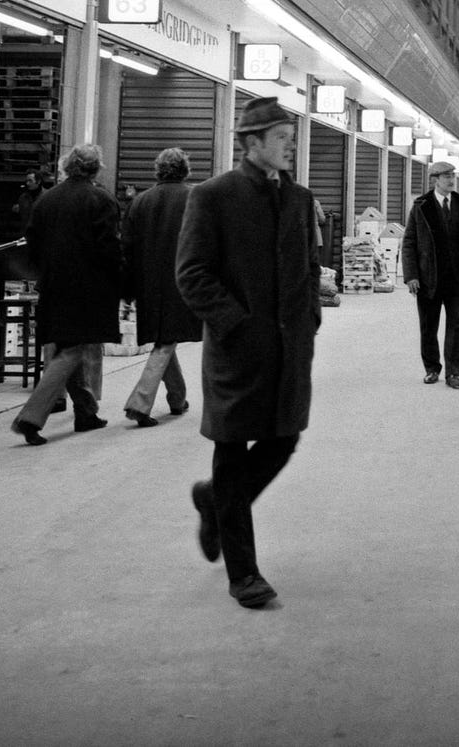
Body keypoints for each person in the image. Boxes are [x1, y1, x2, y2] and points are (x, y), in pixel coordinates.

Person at [175, 98, 321, 610]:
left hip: (289, 349)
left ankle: (213, 502)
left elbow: (309, 267)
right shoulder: (213, 196)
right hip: (238, 352)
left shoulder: (300, 200)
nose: (290, 146)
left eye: (290, 137)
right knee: (233, 454)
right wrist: (235, 323)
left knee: (284, 439)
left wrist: (309, 323)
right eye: (281, 138)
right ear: (252, 143)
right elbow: (191, 273)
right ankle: (244, 574)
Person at [10, 143, 122, 444]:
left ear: (67, 165)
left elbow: (30, 242)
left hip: (54, 286)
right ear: (97, 168)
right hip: (88, 288)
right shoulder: (101, 200)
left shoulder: (47, 200)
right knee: (72, 350)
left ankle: (86, 413)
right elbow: (109, 248)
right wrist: (122, 283)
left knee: (66, 347)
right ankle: (30, 417)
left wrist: (43, 273)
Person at [120, 147, 203, 426]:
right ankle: (140, 403)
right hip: (183, 281)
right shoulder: (195, 198)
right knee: (167, 339)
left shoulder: (140, 202)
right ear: (185, 170)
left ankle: (177, 399)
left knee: (165, 337)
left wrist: (128, 288)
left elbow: (127, 249)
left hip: (149, 284)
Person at [402, 158, 459, 388]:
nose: (452, 180)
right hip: (428, 278)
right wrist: (411, 275)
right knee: (428, 325)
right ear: (435, 180)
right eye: (447, 176)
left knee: (455, 325)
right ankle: (431, 368)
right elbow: (409, 242)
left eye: (453, 175)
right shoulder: (421, 206)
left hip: (457, 277)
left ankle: (453, 373)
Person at [11, 171, 43, 237]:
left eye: (30, 181)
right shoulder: (23, 198)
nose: (27, 183)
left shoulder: (47, 196)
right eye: (27, 181)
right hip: (26, 234)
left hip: (42, 234)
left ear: (38, 181)